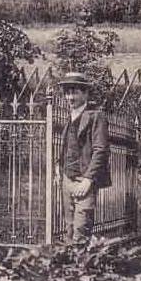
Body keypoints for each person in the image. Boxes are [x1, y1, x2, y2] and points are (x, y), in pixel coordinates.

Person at [57, 71, 111, 244]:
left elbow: (101, 150)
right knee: (69, 228)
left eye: (74, 92)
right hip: (67, 179)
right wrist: (59, 168)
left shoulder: (96, 116)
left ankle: (82, 268)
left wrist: (88, 180)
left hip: (84, 180)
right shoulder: (69, 117)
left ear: (85, 93)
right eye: (67, 92)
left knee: (81, 229)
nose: (70, 97)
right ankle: (71, 269)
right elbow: (66, 147)